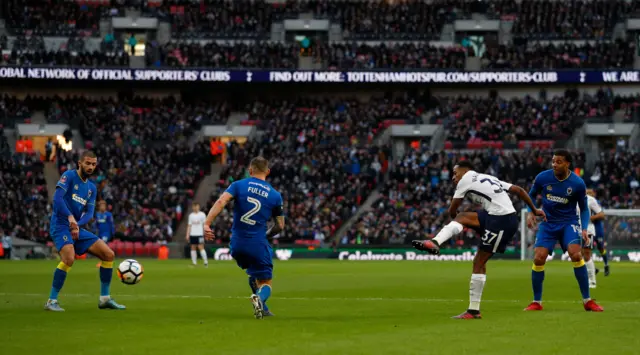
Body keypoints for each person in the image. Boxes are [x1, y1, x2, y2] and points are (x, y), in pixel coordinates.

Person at [412, 160, 545, 319]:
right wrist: (534, 209)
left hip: (501, 220)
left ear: (465, 171)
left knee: (478, 261)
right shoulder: (487, 177)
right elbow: (518, 190)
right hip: (496, 217)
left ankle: (473, 311)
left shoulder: (465, 180)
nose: (453, 178)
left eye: (455, 173)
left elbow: (452, 209)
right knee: (464, 218)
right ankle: (434, 242)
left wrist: (458, 224)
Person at [203, 157, 285, 319]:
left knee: (253, 274)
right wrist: (267, 235)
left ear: (250, 170)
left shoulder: (238, 185)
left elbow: (221, 201)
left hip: (237, 244)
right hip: (257, 242)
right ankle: (259, 299)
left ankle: (264, 310)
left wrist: (207, 223)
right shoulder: (275, 196)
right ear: (268, 172)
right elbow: (280, 226)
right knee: (266, 281)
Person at [45, 150, 125, 312]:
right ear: (80, 163)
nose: (90, 166)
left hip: (74, 226)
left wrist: (76, 224)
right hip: (60, 225)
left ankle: (105, 299)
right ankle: (51, 301)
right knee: (69, 258)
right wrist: (70, 218)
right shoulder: (69, 176)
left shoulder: (91, 188)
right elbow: (57, 199)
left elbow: (89, 214)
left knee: (108, 254)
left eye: (93, 164)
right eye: (87, 163)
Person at [524, 150, 603, 312]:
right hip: (548, 223)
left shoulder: (578, 183)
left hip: (569, 223)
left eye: (558, 162)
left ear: (567, 164)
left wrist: (584, 228)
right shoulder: (543, 178)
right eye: (553, 161)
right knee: (539, 258)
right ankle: (536, 302)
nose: (554, 164)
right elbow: (529, 196)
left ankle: (587, 300)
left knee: (576, 254)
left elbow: (584, 209)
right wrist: (531, 211)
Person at [588, 189, 609, 276]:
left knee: (600, 247)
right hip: (589, 229)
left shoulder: (595, 202)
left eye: (589, 193)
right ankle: (593, 268)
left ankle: (606, 265)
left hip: (597, 228)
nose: (588, 195)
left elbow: (602, 216)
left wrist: (593, 217)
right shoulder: (583, 202)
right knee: (588, 249)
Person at [186, 202, 208, 267]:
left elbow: (205, 224)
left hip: (199, 234)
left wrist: (205, 233)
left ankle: (205, 262)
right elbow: (189, 225)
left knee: (201, 247)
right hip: (192, 234)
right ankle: (194, 263)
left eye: (196, 206)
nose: (195, 207)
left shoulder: (202, 214)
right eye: (194, 206)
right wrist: (187, 234)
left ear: (199, 207)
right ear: (192, 207)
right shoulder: (191, 215)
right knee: (193, 247)